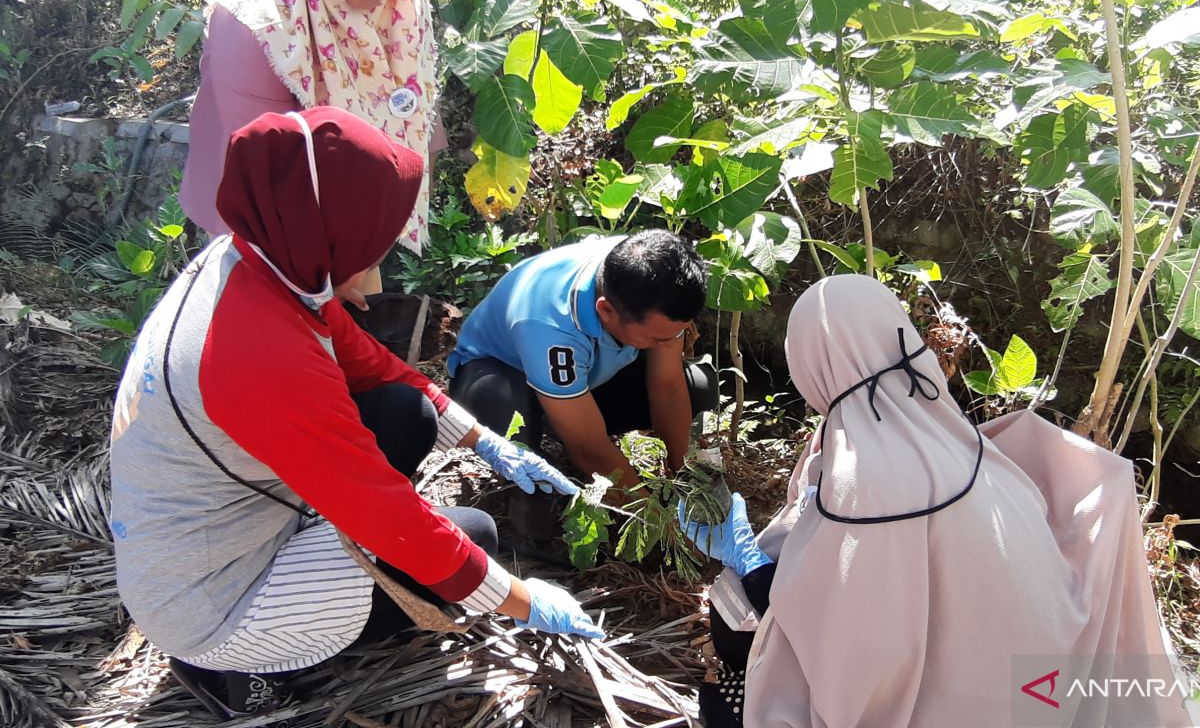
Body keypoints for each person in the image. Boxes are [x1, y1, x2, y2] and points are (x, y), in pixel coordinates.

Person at [108, 108, 602, 720]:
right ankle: (232, 667)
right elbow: (391, 518)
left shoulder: (258, 261)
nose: (379, 259)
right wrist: (523, 599)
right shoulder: (261, 353)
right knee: (473, 538)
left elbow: (364, 360)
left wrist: (484, 442)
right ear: (328, 228)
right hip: (209, 600)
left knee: (406, 411)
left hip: (210, 529)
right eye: (373, 239)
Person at [680, 274, 1192, 728]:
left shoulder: (863, 482)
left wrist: (746, 561)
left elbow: (855, 646)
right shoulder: (950, 431)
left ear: (811, 365)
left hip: (956, 704)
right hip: (1042, 674)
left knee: (734, 645)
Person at [180, 0, 439, 269]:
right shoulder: (257, 15)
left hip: (357, 215)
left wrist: (374, 243)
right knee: (268, 311)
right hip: (260, 225)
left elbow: (416, 110)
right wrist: (333, 278)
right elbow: (265, 171)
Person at [446, 230, 718, 490]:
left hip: (582, 375)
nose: (670, 343)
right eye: (658, 338)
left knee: (698, 388)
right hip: (500, 378)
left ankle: (566, 421)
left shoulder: (653, 274)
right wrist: (658, 526)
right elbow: (588, 450)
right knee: (525, 461)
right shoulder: (549, 326)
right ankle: (529, 510)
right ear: (606, 311)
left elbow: (668, 387)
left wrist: (688, 483)